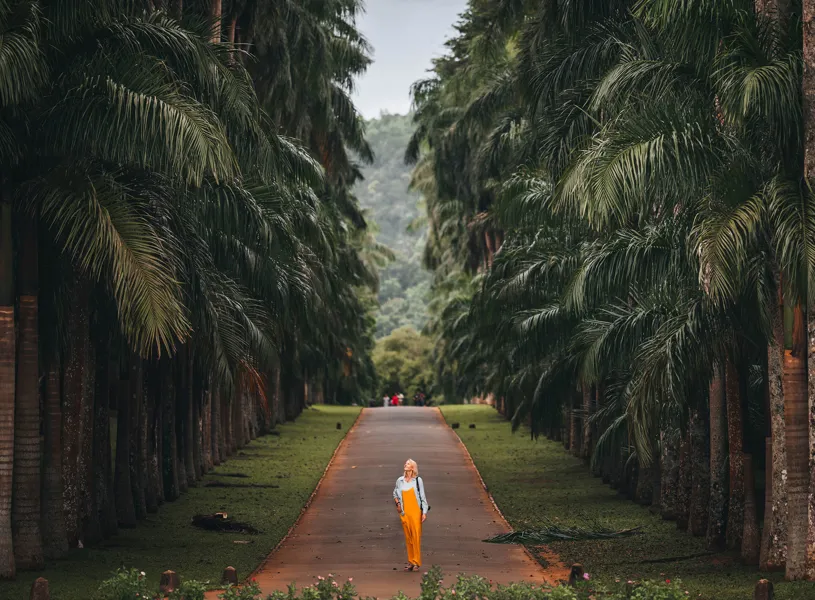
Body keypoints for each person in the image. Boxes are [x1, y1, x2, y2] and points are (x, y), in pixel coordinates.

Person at [392, 458, 428, 571]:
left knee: (416, 536)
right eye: (406, 463)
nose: (405, 464)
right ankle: (411, 562)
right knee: (408, 537)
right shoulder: (400, 480)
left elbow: (422, 497)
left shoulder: (417, 480)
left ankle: (417, 562)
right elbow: (395, 493)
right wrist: (398, 503)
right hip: (404, 512)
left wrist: (424, 512)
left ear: (412, 467)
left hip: (416, 512)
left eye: (408, 463)